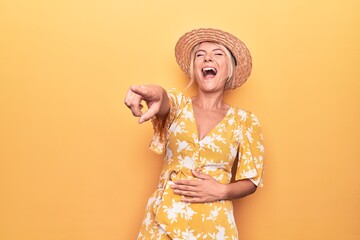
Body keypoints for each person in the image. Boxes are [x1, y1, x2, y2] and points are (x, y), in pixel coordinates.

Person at [124, 28, 264, 240]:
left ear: (229, 70)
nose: (208, 57)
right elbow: (162, 97)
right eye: (200, 54)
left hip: (214, 225)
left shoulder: (245, 121)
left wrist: (222, 191)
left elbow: (251, 180)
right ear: (194, 69)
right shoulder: (179, 106)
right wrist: (151, 92)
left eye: (218, 54)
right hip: (163, 221)